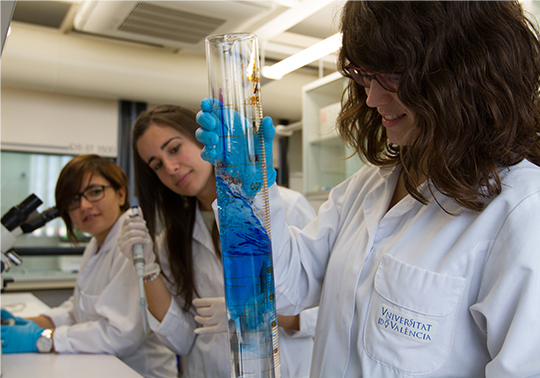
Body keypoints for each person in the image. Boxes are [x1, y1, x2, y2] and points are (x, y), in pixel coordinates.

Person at [196, 1, 540, 377]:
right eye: (365, 76)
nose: (373, 99)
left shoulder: (521, 213)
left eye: (392, 77)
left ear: (462, 74)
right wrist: (250, 190)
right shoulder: (368, 187)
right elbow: (287, 287)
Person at [117, 105, 318, 378]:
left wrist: (253, 314)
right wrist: (149, 269)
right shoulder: (171, 241)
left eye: (174, 149)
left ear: (203, 137)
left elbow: (325, 315)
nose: (171, 167)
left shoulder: (285, 205)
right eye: (157, 165)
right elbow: (183, 340)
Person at [0, 154, 177, 378]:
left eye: (95, 192)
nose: (84, 206)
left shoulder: (134, 244)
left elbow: (120, 334)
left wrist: (42, 338)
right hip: (101, 365)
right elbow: (79, 309)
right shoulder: (96, 242)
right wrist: (26, 323)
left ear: (121, 193)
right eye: (73, 200)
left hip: (137, 371)